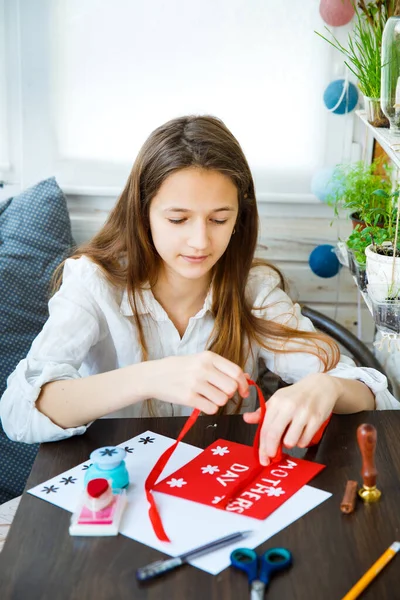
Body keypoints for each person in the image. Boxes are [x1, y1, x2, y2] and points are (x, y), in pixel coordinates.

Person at [0, 115, 398, 465]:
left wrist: (326, 387)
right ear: (143, 213)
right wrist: (151, 377)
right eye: (178, 219)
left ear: (239, 218)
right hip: (114, 485)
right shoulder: (92, 283)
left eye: (219, 219)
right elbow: (19, 412)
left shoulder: (253, 292)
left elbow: (375, 394)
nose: (200, 242)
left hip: (218, 487)